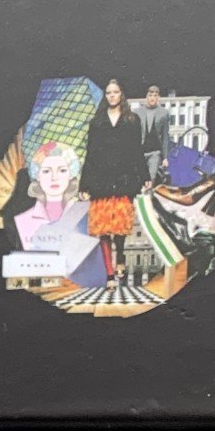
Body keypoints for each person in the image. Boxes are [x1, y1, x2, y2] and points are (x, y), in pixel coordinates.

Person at [81, 78, 149, 286]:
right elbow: (90, 153)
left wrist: (145, 176)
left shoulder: (132, 120)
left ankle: (120, 256)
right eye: (108, 92)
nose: (112, 96)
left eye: (115, 92)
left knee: (120, 224)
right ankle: (109, 274)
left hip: (123, 178)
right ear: (105, 96)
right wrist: (84, 184)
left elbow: (137, 150)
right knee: (103, 228)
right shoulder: (96, 122)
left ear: (121, 94)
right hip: (100, 179)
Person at [12, 141, 89, 249]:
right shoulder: (24, 220)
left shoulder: (85, 216)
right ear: (37, 175)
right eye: (46, 171)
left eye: (62, 170)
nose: (54, 177)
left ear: (71, 173)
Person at [138, 85, 169, 185]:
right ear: (146, 96)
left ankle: (148, 193)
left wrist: (165, 157)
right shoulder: (138, 112)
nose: (152, 98)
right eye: (150, 95)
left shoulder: (164, 113)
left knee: (151, 180)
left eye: (155, 95)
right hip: (140, 152)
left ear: (158, 97)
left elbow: (165, 136)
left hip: (155, 152)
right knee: (139, 180)